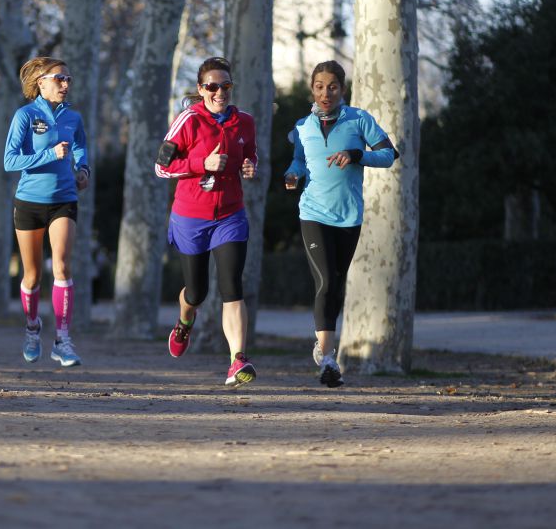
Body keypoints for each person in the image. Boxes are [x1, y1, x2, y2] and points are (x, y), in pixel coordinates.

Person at [283, 60, 398, 388]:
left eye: (332, 86)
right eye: (319, 86)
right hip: (313, 213)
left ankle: (323, 344)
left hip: (349, 216)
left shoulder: (358, 119)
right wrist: (292, 175)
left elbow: (390, 155)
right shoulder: (303, 125)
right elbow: (298, 161)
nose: (325, 92)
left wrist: (357, 154)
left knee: (336, 282)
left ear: (342, 89)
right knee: (326, 282)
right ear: (312, 89)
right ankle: (329, 360)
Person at [155, 56, 258, 387]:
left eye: (225, 86)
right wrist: (203, 162)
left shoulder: (244, 122)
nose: (219, 92)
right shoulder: (188, 120)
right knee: (197, 292)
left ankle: (237, 360)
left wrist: (249, 166)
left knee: (232, 286)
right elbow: (161, 167)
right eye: (212, 86)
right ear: (201, 90)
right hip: (191, 217)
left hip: (230, 214)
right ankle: (185, 321)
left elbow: (250, 152)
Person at [3, 56, 89, 367]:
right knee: (32, 273)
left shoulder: (73, 117)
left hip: (64, 198)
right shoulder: (25, 116)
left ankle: (63, 339)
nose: (65, 84)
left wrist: (83, 169)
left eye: (68, 79)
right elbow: (9, 161)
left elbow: (80, 146)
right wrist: (49, 154)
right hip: (29, 202)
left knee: (63, 267)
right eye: (59, 79)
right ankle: (31, 328)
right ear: (41, 83)